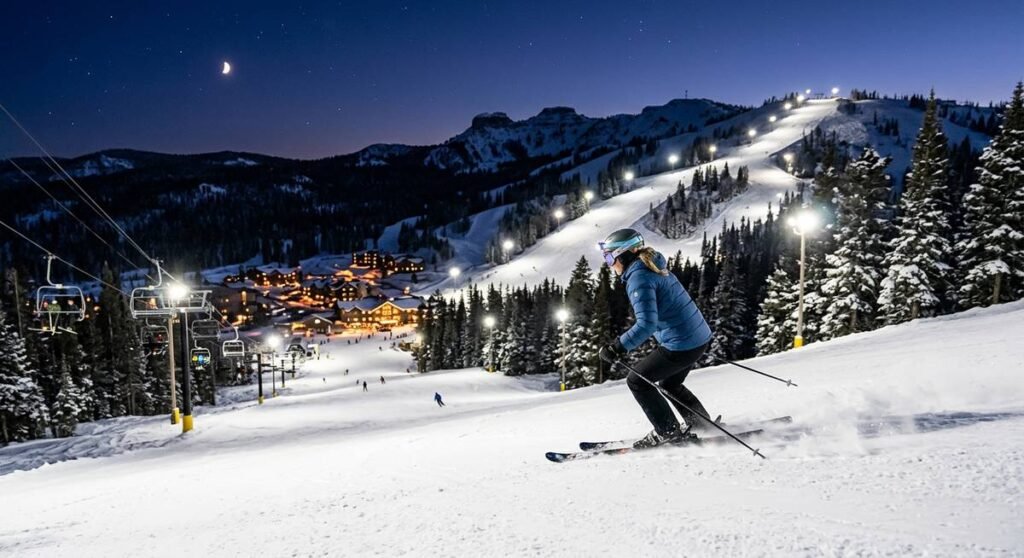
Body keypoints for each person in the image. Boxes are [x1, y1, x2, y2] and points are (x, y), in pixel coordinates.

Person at [596, 228, 714, 449]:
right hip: (697, 337)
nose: (609, 264)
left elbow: (646, 324)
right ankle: (701, 423)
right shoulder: (652, 265)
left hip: (682, 343)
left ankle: (668, 432)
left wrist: (617, 347)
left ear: (623, 255)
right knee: (670, 383)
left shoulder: (639, 278)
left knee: (637, 381)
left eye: (610, 257)